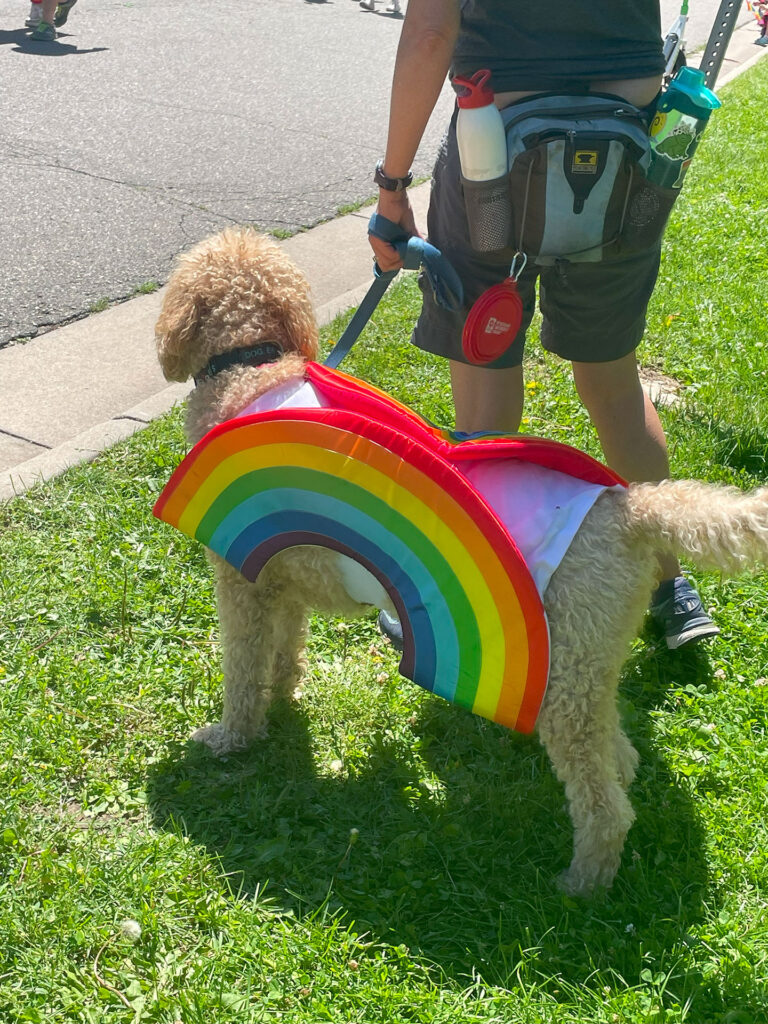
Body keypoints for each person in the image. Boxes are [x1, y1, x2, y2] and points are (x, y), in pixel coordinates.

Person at [368, 0, 719, 650]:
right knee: (614, 383)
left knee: (486, 373)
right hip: (632, 148)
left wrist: (392, 186)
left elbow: (429, 32)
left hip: (495, 152)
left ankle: (476, 591)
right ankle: (671, 589)